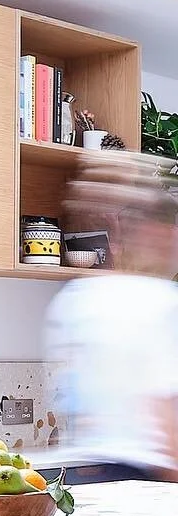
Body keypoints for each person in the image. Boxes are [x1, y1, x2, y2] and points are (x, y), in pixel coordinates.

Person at [45, 150, 178, 480]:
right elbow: (167, 418)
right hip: (146, 477)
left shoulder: (77, 299)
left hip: (87, 471)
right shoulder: (158, 303)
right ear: (158, 234)